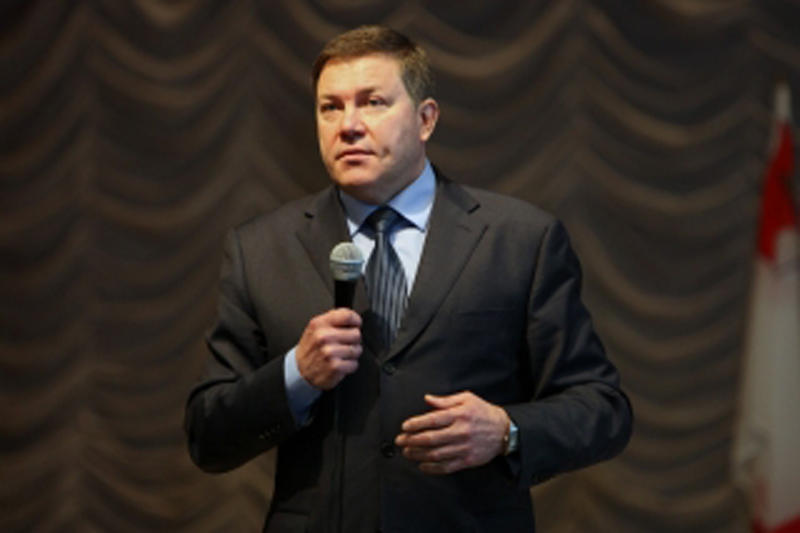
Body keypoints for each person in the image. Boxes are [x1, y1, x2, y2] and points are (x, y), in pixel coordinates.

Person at [185, 25, 632, 533]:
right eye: (330, 107)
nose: (348, 125)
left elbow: (602, 409)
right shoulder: (260, 250)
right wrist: (295, 375)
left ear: (425, 119)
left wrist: (506, 430)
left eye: (372, 102)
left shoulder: (520, 240)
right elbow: (207, 434)